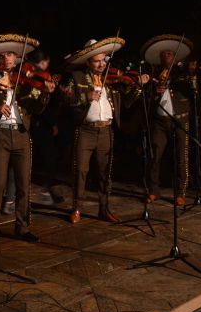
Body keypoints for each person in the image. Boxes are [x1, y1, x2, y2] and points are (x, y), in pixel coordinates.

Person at [0, 34, 55, 243]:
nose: (8, 58)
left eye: (11, 54)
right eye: (4, 54)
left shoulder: (24, 79)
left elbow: (37, 108)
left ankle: (23, 227)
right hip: (0, 136)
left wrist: (45, 93)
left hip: (21, 135)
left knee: (23, 185)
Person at [60, 37, 149, 223]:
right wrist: (86, 97)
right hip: (86, 131)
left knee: (105, 172)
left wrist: (138, 87)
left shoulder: (111, 79)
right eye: (97, 60)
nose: (101, 64)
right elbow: (67, 102)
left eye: (103, 60)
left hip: (106, 131)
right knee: (81, 171)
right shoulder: (76, 77)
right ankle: (77, 208)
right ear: (88, 62)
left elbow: (128, 102)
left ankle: (104, 208)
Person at [141, 35, 196, 206]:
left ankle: (180, 192)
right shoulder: (153, 75)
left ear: (175, 57)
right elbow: (147, 100)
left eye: (170, 54)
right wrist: (156, 91)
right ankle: (153, 190)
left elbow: (192, 91)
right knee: (155, 155)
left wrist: (191, 73)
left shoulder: (182, 72)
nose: (167, 56)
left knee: (181, 156)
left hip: (180, 120)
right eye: (164, 54)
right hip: (160, 121)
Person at [27, 49, 65, 205]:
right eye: (47, 62)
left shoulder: (43, 78)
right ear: (41, 62)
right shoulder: (33, 79)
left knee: (44, 159)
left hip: (41, 123)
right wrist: (53, 124)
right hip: (40, 124)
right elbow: (42, 107)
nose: (48, 65)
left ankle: (47, 190)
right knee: (48, 159)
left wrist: (58, 91)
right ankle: (46, 191)